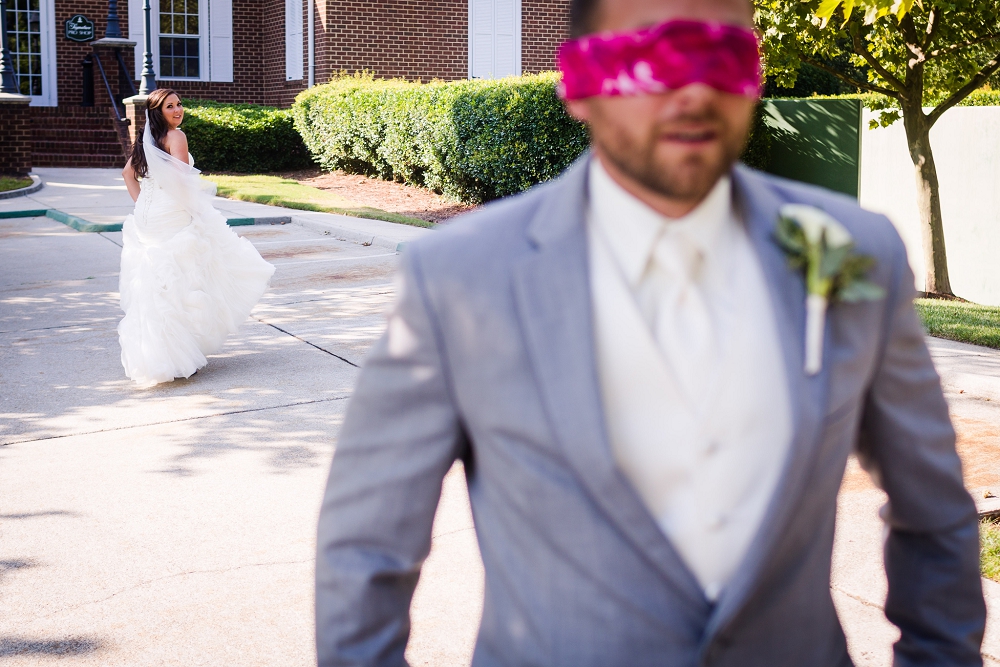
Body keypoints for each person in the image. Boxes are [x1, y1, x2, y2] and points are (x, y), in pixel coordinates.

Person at [315, 0, 986, 664]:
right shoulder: (458, 278)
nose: (694, 89)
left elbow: (932, 505)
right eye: (649, 58)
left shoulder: (854, 252)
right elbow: (366, 547)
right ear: (578, 84)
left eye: (723, 54)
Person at [118, 88, 274, 387]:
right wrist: (199, 214)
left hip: (147, 219)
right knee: (182, 280)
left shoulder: (145, 140)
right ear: (157, 111)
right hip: (172, 214)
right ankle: (176, 356)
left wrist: (143, 206)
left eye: (179, 105)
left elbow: (128, 174)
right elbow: (181, 183)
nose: (178, 110)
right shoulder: (176, 137)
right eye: (170, 106)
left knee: (155, 283)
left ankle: (160, 355)